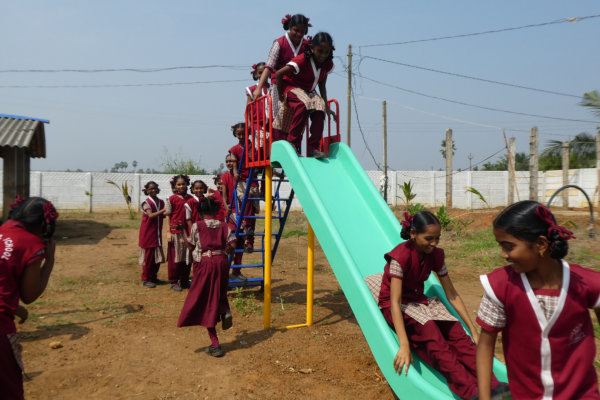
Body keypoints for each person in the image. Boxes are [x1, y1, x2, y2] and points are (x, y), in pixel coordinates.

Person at [476, 201, 600, 400]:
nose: (503, 255)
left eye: (509, 247)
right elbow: (485, 346)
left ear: (541, 244)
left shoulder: (586, 283)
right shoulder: (500, 286)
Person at [378, 211, 505, 400]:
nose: (434, 243)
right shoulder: (400, 257)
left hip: (418, 300)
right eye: (429, 238)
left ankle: (494, 385)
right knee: (433, 337)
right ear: (413, 234)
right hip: (395, 305)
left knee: (457, 334)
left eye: (437, 238)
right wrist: (404, 345)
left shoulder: (435, 255)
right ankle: (471, 391)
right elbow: (395, 302)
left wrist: (473, 330)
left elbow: (451, 294)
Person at [0, 196, 58, 399]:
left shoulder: (2, 231)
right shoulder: (30, 244)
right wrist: (49, 260)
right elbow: (29, 295)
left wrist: (14, 307)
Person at [177, 196, 237, 357]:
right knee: (219, 291)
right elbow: (233, 245)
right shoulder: (225, 226)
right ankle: (224, 310)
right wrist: (226, 251)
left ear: (201, 212)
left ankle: (215, 344)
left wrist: (183, 230)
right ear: (216, 211)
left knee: (205, 300)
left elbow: (190, 245)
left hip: (205, 263)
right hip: (222, 261)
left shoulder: (198, 225)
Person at [273, 32, 336, 159]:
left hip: (309, 91)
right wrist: (280, 94)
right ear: (312, 48)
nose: (323, 55)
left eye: (326, 52)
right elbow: (279, 74)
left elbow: (322, 85)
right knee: (302, 105)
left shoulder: (327, 64)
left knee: (319, 109)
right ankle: (292, 144)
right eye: (320, 51)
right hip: (292, 88)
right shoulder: (302, 60)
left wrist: (326, 106)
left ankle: (313, 147)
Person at [253, 14, 311, 128]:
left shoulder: (306, 45)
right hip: (279, 86)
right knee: (280, 117)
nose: (299, 34)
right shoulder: (279, 43)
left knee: (299, 115)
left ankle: (295, 143)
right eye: (296, 30)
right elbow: (268, 66)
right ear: (290, 27)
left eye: (302, 31)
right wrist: (259, 88)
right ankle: (279, 141)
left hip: (297, 87)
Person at [229, 123, 259, 253]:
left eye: (243, 133)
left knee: (251, 211)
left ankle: (250, 242)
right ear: (235, 135)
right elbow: (234, 162)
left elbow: (259, 160)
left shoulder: (255, 146)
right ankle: (246, 227)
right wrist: (235, 173)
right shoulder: (234, 149)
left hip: (252, 180)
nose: (241, 136)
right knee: (247, 199)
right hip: (241, 181)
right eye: (238, 134)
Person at [221, 154, 247, 282]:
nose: (229, 163)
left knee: (241, 243)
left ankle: (236, 271)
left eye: (231, 161)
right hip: (231, 212)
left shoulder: (242, 175)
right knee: (231, 241)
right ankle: (224, 270)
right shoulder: (225, 176)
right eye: (227, 161)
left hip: (242, 211)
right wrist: (226, 206)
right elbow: (224, 195)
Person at [165, 174, 192, 291]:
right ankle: (174, 280)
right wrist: (168, 232)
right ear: (175, 186)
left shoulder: (191, 198)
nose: (181, 186)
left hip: (188, 232)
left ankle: (184, 280)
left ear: (187, 184)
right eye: (179, 184)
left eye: (183, 184)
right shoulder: (171, 199)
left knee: (187, 256)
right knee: (175, 257)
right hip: (175, 232)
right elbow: (168, 216)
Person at [138, 181, 166, 288]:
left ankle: (154, 277)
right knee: (149, 258)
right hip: (148, 234)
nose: (153, 190)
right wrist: (164, 210)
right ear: (147, 191)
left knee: (156, 258)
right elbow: (151, 215)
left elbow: (162, 215)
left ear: (158, 189)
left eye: (155, 188)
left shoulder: (161, 202)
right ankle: (146, 278)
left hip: (157, 234)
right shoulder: (146, 203)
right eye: (150, 189)